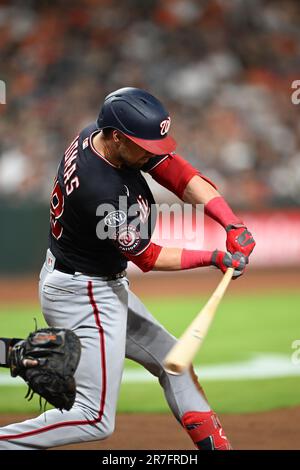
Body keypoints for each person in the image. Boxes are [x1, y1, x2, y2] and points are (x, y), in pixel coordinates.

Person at [0, 87, 255, 450]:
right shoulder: (98, 188)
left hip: (93, 282)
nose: (154, 153)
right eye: (145, 145)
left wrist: (231, 223)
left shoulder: (99, 134)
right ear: (118, 138)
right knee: (93, 418)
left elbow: (176, 173)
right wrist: (214, 257)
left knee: (173, 364)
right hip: (84, 293)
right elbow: (148, 257)